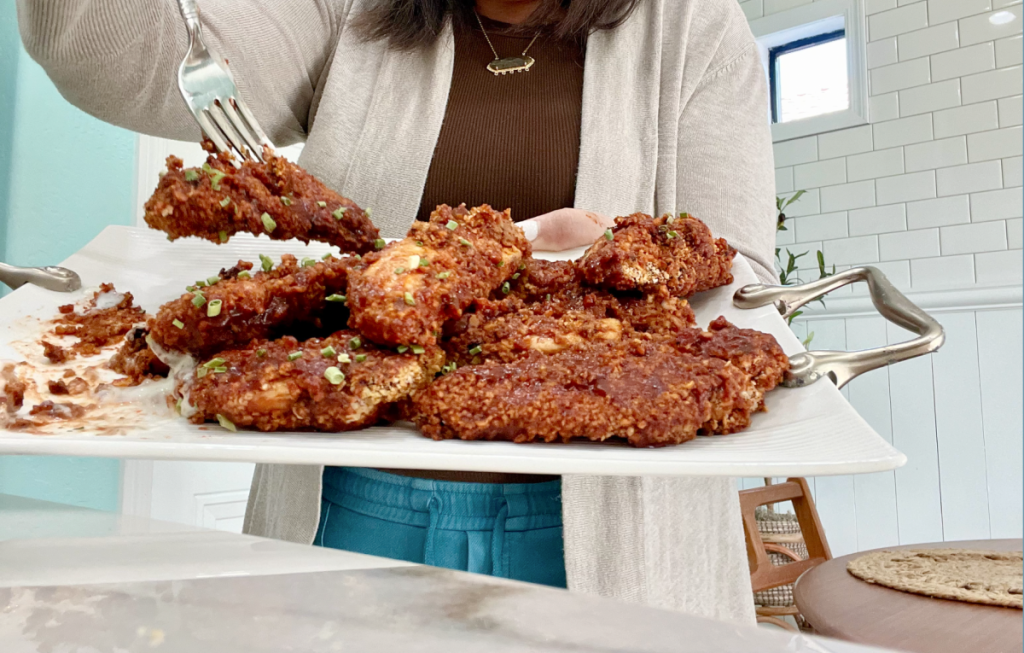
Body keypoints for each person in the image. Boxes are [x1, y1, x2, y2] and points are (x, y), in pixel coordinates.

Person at [17, 0, 776, 624]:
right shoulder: (352, 11)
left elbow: (743, 284)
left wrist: (611, 250)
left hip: (623, 536)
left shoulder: (696, 26)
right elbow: (120, 58)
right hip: (347, 507)